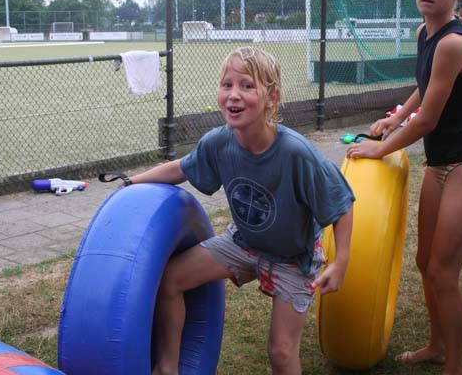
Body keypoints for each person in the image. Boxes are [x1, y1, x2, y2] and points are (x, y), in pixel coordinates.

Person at [124, 46, 354, 375]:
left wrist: (342, 261)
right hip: (243, 244)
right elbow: (182, 168)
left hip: (293, 259)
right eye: (227, 85)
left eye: (247, 86)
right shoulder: (219, 142)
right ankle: (167, 368)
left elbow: (341, 204)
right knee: (170, 279)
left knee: (281, 352)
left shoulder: (296, 153)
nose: (234, 95)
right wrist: (132, 181)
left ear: (271, 96)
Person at [346, 0, 462, 373]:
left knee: (443, 273)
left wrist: (381, 146)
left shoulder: (452, 42)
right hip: (440, 166)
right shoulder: (424, 33)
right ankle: (436, 346)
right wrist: (395, 116)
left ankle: (456, 367)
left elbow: (427, 120)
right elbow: (424, 87)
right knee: (424, 261)